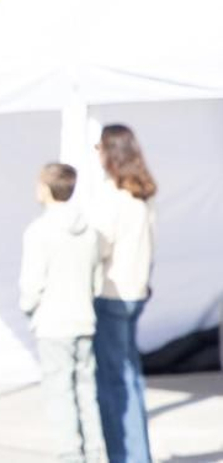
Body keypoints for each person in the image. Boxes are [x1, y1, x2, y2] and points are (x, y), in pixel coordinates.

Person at [20, 163, 106, 463]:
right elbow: (97, 280)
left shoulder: (39, 231)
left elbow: (32, 283)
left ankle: (70, 454)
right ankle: (95, 452)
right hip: (84, 319)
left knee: (60, 392)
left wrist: (28, 307)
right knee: (86, 390)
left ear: (46, 188)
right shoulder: (91, 231)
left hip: (54, 323)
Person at [91, 124, 157, 463]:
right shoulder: (142, 196)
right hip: (135, 291)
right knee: (129, 378)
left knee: (114, 384)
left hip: (112, 293)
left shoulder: (114, 199)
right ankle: (136, 453)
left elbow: (98, 247)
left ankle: (125, 455)